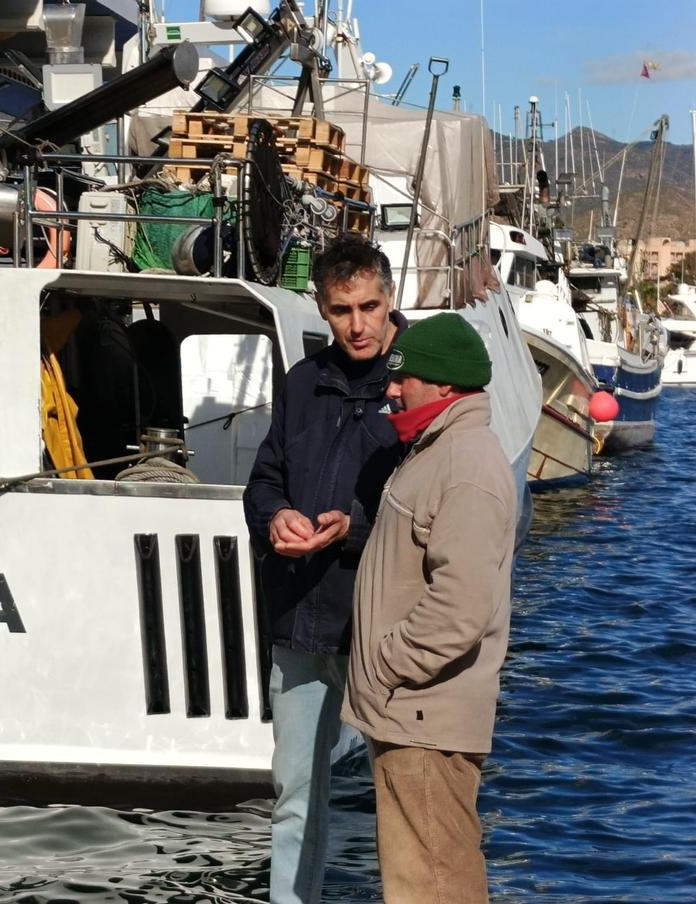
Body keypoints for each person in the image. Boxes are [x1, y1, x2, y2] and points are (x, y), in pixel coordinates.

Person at [244, 234, 406, 904]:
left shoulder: (419, 379)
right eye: (342, 310)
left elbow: (435, 501)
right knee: (295, 798)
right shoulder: (301, 382)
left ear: (391, 298)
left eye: (369, 305)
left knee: (404, 804)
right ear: (322, 307)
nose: (358, 324)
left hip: (389, 630)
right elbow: (263, 479)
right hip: (302, 622)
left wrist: (354, 529)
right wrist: (274, 516)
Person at [340, 312, 516, 904]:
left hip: (423, 717)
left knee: (434, 884)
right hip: (412, 714)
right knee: (421, 879)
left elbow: (459, 608)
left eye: (403, 377)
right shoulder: (438, 451)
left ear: (443, 386)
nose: (391, 388)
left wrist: (388, 664)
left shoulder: (464, 464)